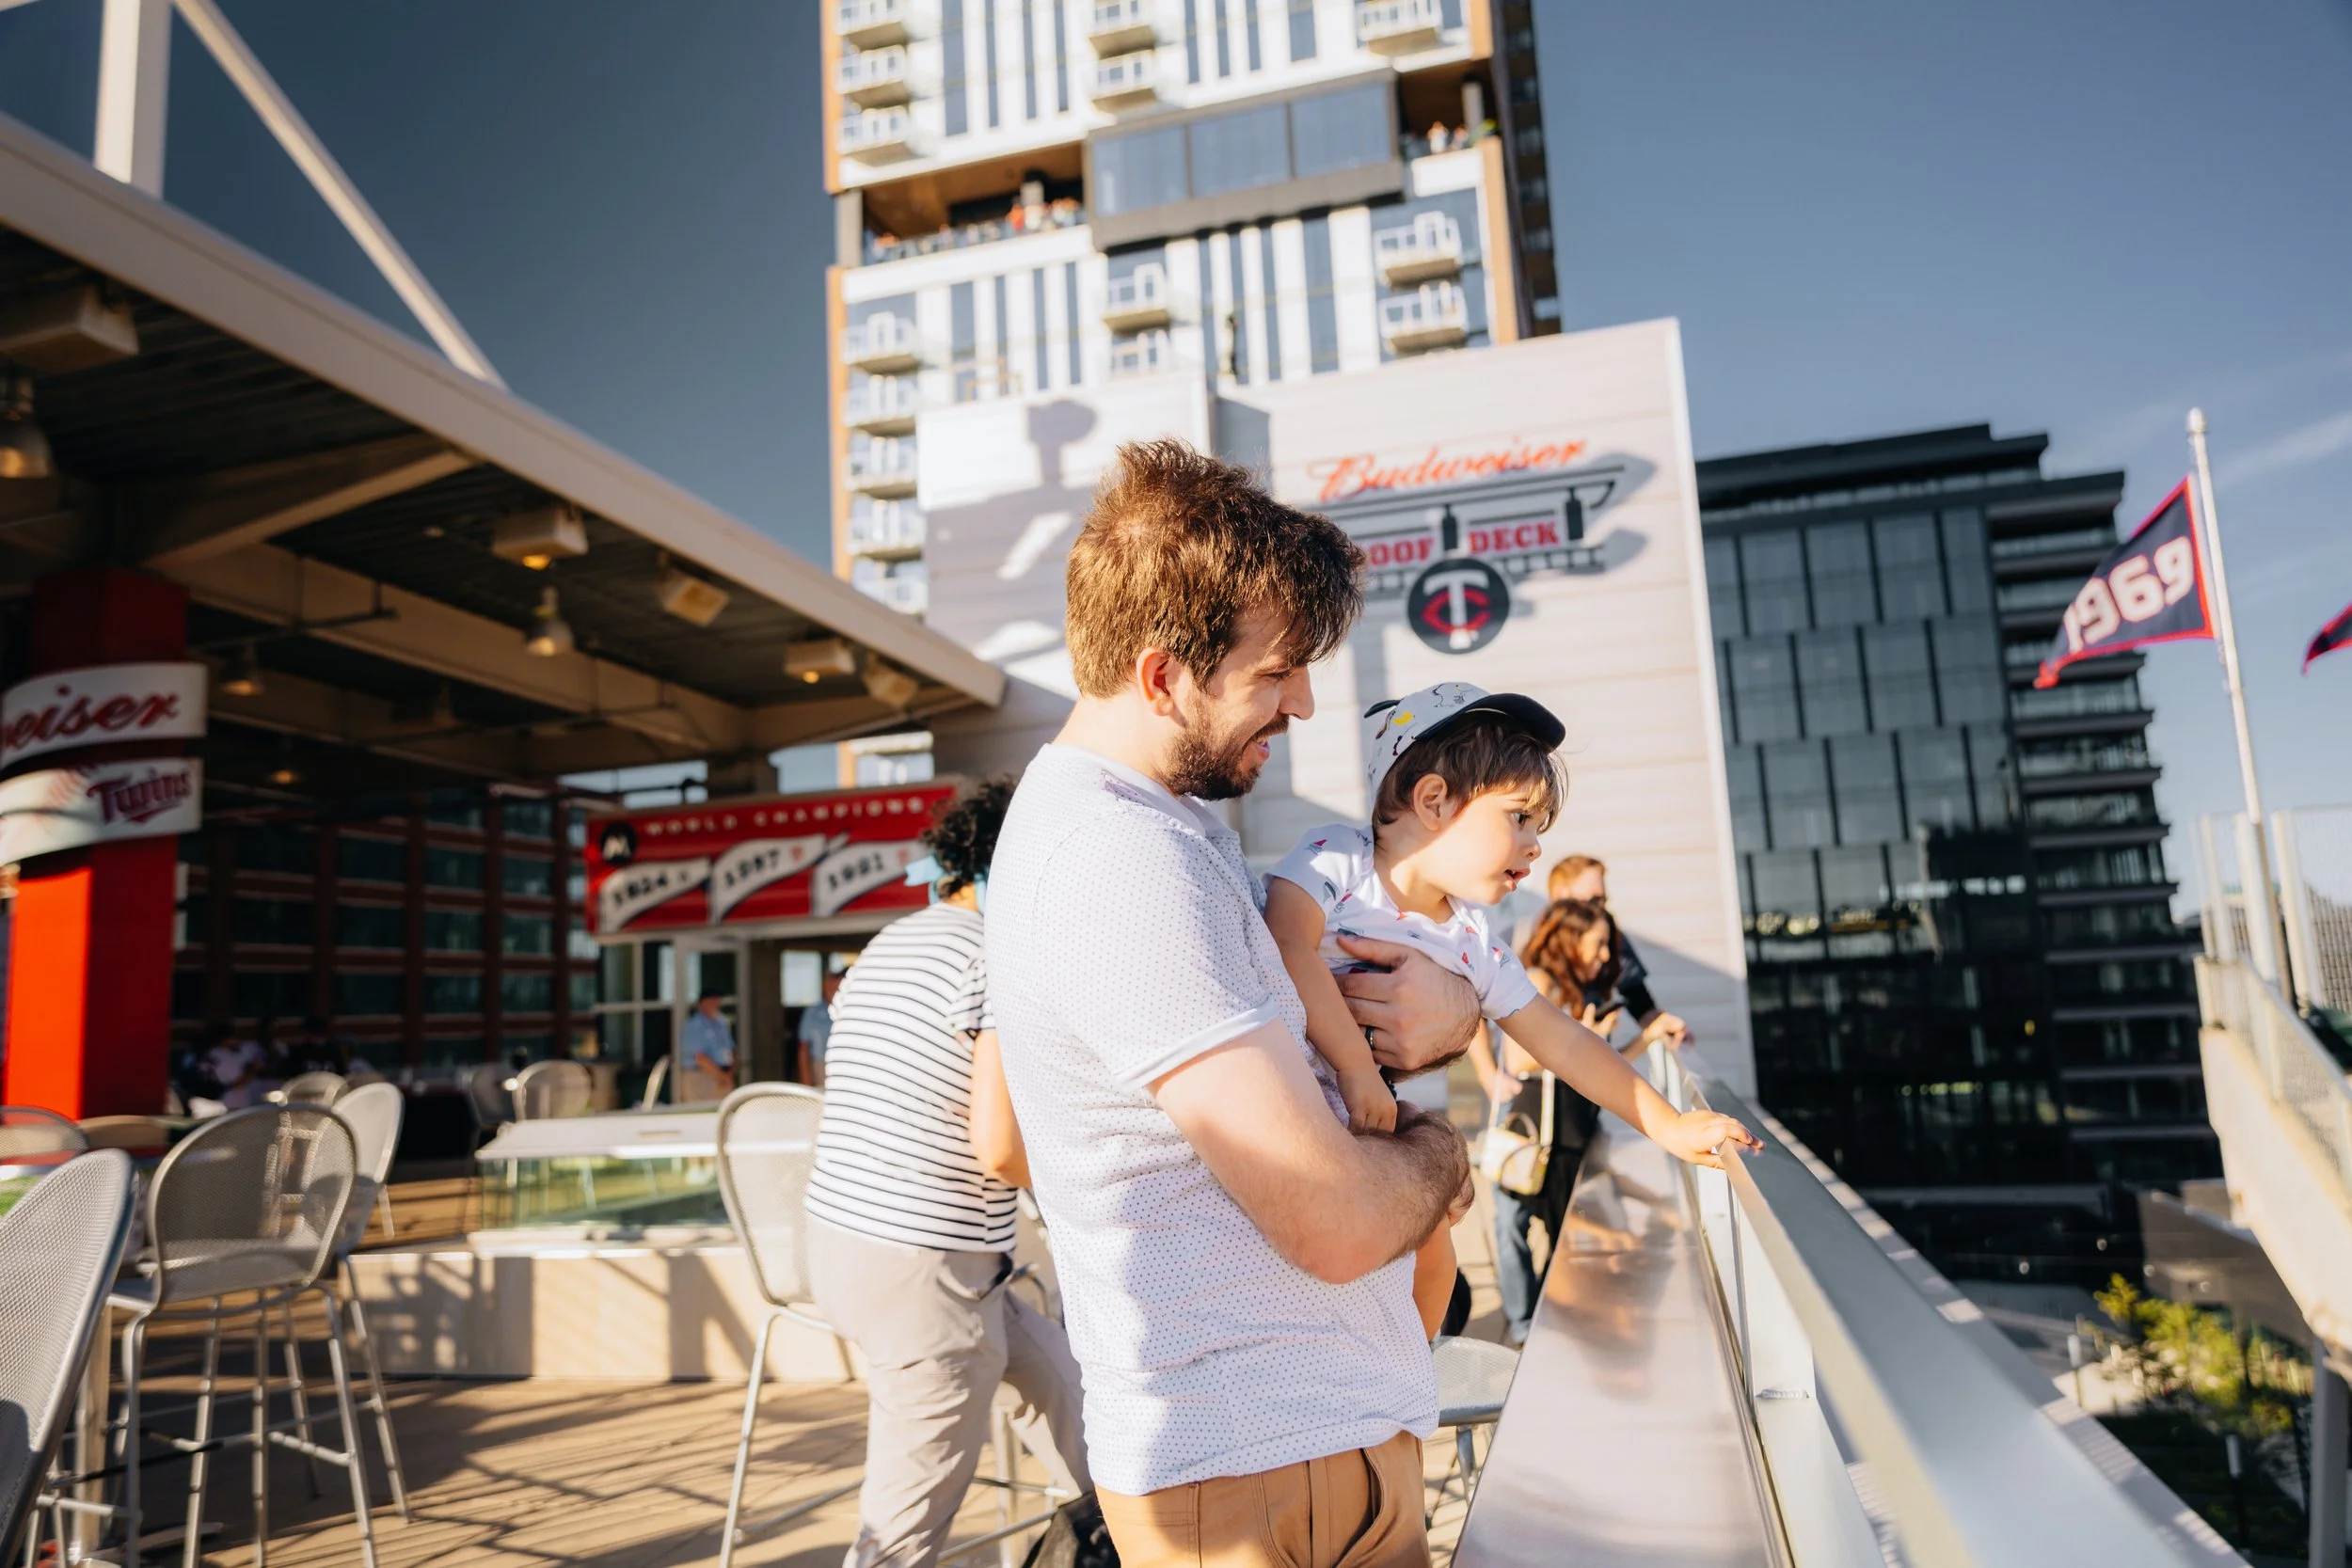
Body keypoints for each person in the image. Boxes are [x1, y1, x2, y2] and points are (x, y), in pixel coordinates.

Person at [988, 440, 1549, 1568]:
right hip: (1263, 1474)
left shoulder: (1136, 829)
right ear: (1160, 676)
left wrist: (1441, 1016)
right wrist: (1447, 1153)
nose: (1299, 703)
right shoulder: (1119, 859)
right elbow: (1333, 1222)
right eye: (1276, 670)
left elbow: (1004, 1133)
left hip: (1281, 1455)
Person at [1264, 683, 1758, 1340]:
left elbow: (1565, 1043)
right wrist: (1354, 1064)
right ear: (1434, 801)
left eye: (1538, 826)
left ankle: (1412, 1387)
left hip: (1367, 1119)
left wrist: (1670, 1126)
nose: (1534, 846)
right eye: (1519, 817)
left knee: (1434, 1262)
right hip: (1289, 1105)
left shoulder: (1472, 938)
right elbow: (1286, 941)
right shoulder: (1338, 856)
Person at [804, 781, 1089, 1568]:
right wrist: (1085, 1199)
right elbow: (999, 1146)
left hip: (849, 1248)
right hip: (929, 1272)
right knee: (900, 1539)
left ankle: (1129, 1537)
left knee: (1068, 1396)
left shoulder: (891, 943)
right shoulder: (999, 959)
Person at [680, 990, 736, 1101]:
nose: (715, 1003)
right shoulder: (694, 1025)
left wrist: (729, 1074)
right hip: (700, 1076)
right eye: (711, 1000)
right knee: (701, 1114)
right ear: (701, 1003)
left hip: (723, 1076)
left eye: (717, 1000)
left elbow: (730, 1049)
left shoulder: (722, 1022)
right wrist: (721, 1077)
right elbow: (699, 1057)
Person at [797, 970, 839, 1087]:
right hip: (821, 1067)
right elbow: (803, 1049)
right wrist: (806, 1083)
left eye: (835, 987)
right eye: (828, 986)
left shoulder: (852, 1010)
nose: (831, 991)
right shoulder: (813, 1012)